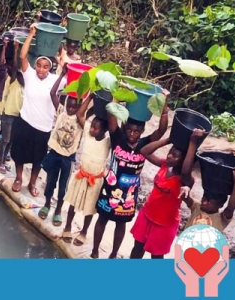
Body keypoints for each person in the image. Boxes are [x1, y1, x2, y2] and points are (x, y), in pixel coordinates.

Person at [90, 92, 170, 259]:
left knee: (121, 225)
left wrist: (164, 105)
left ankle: (113, 254)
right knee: (102, 219)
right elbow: (112, 117)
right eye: (130, 130)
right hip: (110, 189)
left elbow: (161, 130)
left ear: (142, 131)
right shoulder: (117, 137)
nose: (133, 134)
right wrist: (117, 96)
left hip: (129, 194)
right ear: (125, 128)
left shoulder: (145, 144)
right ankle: (95, 251)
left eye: (137, 131)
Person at [11, 23, 66, 197]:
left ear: (50, 68)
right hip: (25, 122)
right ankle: (18, 178)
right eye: (39, 65)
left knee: (37, 160)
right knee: (19, 154)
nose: (41, 70)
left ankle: (32, 183)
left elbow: (69, 76)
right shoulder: (29, 75)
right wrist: (31, 35)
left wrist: (62, 56)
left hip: (43, 128)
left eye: (46, 67)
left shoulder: (56, 81)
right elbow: (22, 55)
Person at [129, 129, 202, 259]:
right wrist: (169, 139)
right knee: (137, 248)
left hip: (164, 224)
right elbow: (144, 151)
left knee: (156, 257)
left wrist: (192, 143)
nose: (169, 156)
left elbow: (186, 169)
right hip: (147, 214)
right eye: (170, 153)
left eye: (175, 156)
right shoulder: (165, 165)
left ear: (183, 160)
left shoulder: (185, 179)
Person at [37, 65, 84, 226]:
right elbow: (52, 93)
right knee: (50, 181)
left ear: (79, 108)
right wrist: (63, 74)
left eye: (75, 106)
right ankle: (47, 204)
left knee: (63, 186)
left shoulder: (80, 120)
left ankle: (58, 210)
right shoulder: (61, 111)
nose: (71, 108)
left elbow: (84, 110)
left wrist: (90, 92)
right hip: (55, 153)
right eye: (69, 105)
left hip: (67, 158)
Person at [62, 109, 110, 246]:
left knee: (90, 208)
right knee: (73, 202)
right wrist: (91, 96)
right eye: (92, 126)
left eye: (96, 128)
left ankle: (84, 232)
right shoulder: (88, 134)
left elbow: (117, 130)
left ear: (103, 131)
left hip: (95, 180)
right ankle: (68, 227)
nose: (92, 129)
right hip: (81, 175)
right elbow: (80, 115)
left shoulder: (107, 142)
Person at [0, 40, 24, 173]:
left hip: (17, 116)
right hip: (8, 115)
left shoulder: (24, 83)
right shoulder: (12, 79)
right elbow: (17, 66)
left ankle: (4, 159)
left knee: (11, 141)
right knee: (5, 140)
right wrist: (17, 49)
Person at [180, 167, 235, 233]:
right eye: (204, 198)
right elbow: (185, 197)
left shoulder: (221, 219)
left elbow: (230, 208)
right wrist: (186, 189)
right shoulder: (196, 207)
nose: (204, 203)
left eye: (209, 202)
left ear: (220, 205)